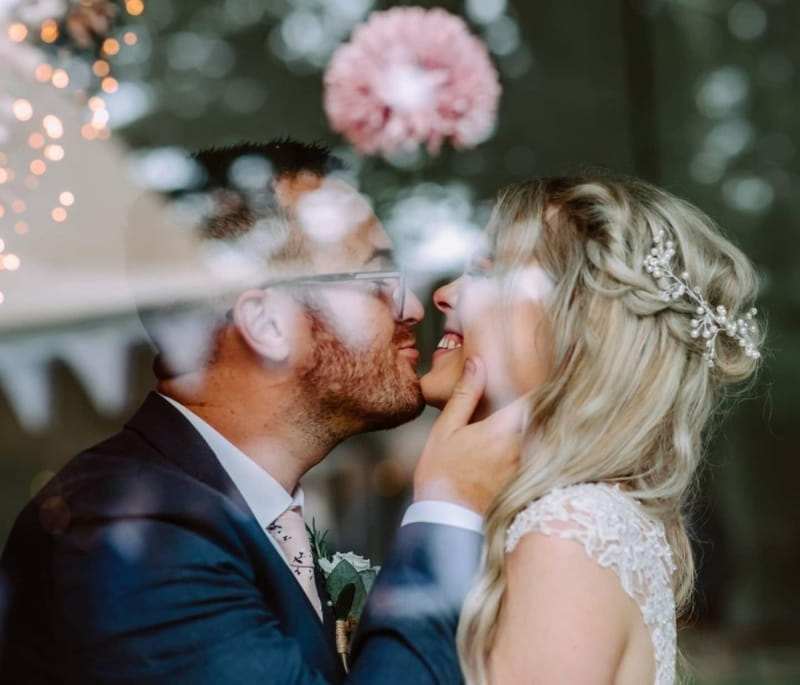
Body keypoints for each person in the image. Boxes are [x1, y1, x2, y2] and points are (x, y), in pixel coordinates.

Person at [0, 140, 521, 684]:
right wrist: (446, 514)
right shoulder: (126, 533)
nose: (413, 308)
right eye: (378, 280)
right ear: (270, 325)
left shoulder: (236, 509)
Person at [419, 176, 763, 685]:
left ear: (581, 328)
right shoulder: (587, 521)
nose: (446, 294)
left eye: (488, 272)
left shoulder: (567, 534)